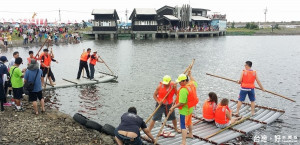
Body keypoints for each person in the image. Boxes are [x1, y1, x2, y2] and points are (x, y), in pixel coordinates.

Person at [170, 72, 199, 145]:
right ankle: (190, 134)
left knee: (183, 125)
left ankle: (183, 142)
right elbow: (194, 81)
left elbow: (181, 103)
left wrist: (173, 107)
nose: (179, 83)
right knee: (189, 122)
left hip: (184, 110)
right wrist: (190, 75)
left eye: (180, 82)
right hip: (190, 108)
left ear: (184, 81)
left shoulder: (183, 90)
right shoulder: (192, 85)